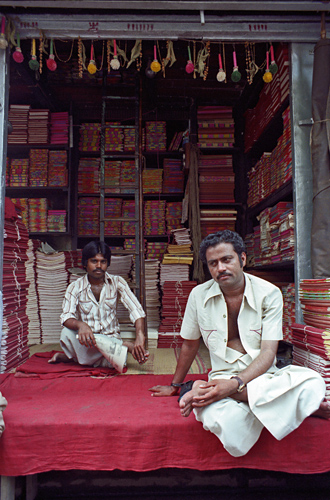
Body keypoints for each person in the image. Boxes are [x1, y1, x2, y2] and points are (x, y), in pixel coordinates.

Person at [149, 230, 330, 457]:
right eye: (213, 263)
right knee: (235, 437)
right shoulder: (197, 296)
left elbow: (267, 353)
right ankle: (291, 407)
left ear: (242, 259)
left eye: (227, 260)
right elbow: (189, 345)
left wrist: (232, 386)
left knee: (313, 381)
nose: (221, 268)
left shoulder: (269, 293)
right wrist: (175, 385)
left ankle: (200, 390)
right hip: (222, 378)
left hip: (262, 378)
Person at [49, 240, 149, 369]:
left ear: (108, 263)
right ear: (85, 263)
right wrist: (81, 325)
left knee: (116, 361)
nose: (99, 266)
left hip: (110, 340)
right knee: (65, 333)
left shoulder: (118, 282)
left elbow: (136, 309)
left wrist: (140, 335)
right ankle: (124, 347)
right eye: (94, 261)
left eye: (103, 262)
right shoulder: (75, 287)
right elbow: (66, 316)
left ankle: (77, 358)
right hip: (87, 341)